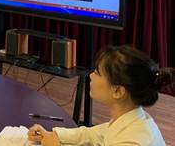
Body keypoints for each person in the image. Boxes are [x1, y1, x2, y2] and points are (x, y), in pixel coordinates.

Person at [27, 45, 173, 146]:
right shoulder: (130, 118)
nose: (91, 76)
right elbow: (92, 135)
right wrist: (54, 135)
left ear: (118, 91)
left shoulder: (134, 141)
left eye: (97, 73)